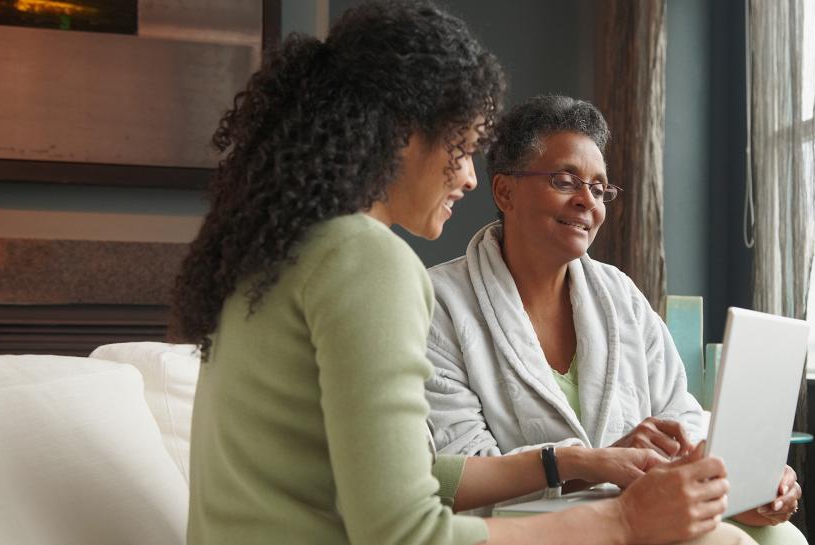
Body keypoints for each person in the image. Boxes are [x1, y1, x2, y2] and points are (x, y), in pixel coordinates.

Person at [172, 3, 754, 545]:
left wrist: (571, 460)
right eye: (463, 146)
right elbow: (407, 533)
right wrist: (624, 519)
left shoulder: (273, 257)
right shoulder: (369, 260)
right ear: (401, 132)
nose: (471, 178)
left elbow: (396, 475)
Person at [424, 95, 805, 544]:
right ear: (505, 191)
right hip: (531, 524)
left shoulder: (618, 294)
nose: (588, 201)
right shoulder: (440, 303)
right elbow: (460, 469)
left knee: (781, 538)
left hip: (640, 503)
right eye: (566, 181)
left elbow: (679, 412)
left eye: (600, 189)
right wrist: (595, 462)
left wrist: (738, 480)